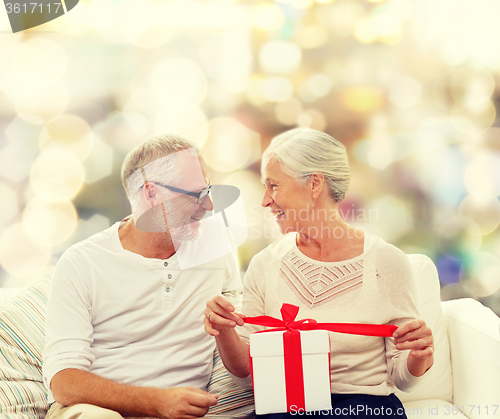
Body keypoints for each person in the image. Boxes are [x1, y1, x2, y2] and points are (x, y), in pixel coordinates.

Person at [204, 128, 434, 418]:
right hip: (288, 407)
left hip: (363, 409)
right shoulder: (265, 264)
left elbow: (403, 377)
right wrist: (223, 330)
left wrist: (418, 355)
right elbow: (247, 373)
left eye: (274, 186)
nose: (264, 200)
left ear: (314, 184)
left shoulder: (386, 262)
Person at [43, 133, 242, 419]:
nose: (209, 205)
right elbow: (64, 382)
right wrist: (156, 402)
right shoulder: (82, 262)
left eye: (208, 190)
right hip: (97, 411)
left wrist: (225, 328)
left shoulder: (216, 245)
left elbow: (242, 363)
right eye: (196, 194)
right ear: (151, 193)